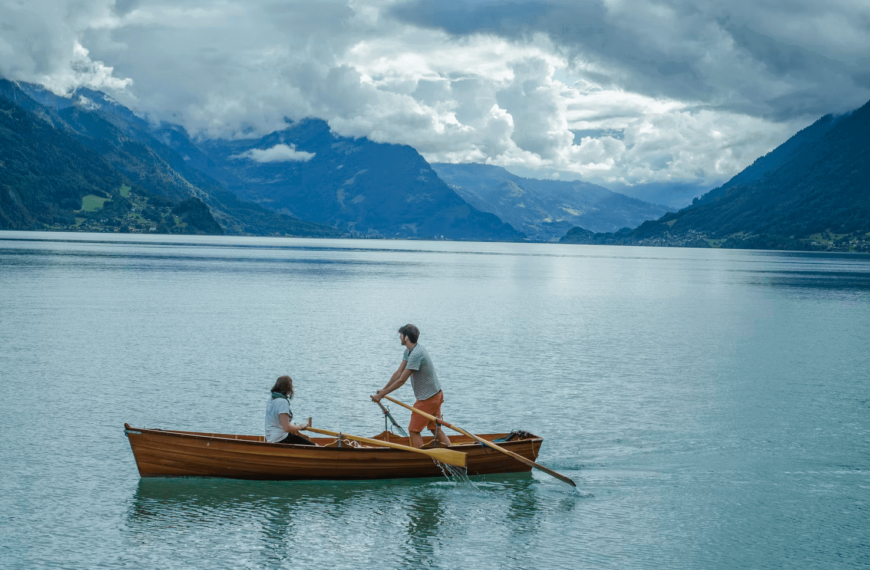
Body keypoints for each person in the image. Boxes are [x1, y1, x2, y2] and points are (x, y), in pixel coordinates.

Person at [372, 324, 451, 449]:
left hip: (428, 399)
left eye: (401, 335)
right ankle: (453, 452)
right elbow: (398, 374)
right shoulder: (409, 351)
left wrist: (382, 394)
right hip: (436, 395)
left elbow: (402, 380)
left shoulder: (416, 354)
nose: (399, 337)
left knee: (414, 431)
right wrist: (383, 390)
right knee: (435, 429)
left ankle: (425, 460)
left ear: (407, 337)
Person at [265, 375, 316, 446]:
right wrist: (301, 426)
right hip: (280, 439)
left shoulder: (272, 398)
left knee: (299, 439)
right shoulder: (282, 402)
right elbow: (286, 427)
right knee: (314, 446)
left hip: (270, 438)